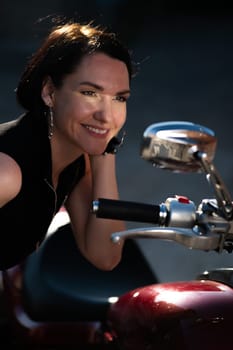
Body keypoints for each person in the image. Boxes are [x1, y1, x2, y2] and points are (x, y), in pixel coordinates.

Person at [0, 19, 136, 271]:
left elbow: (105, 255)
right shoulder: (7, 170)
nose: (107, 116)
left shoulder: (75, 161)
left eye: (119, 98)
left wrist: (105, 153)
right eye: (89, 93)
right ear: (50, 92)